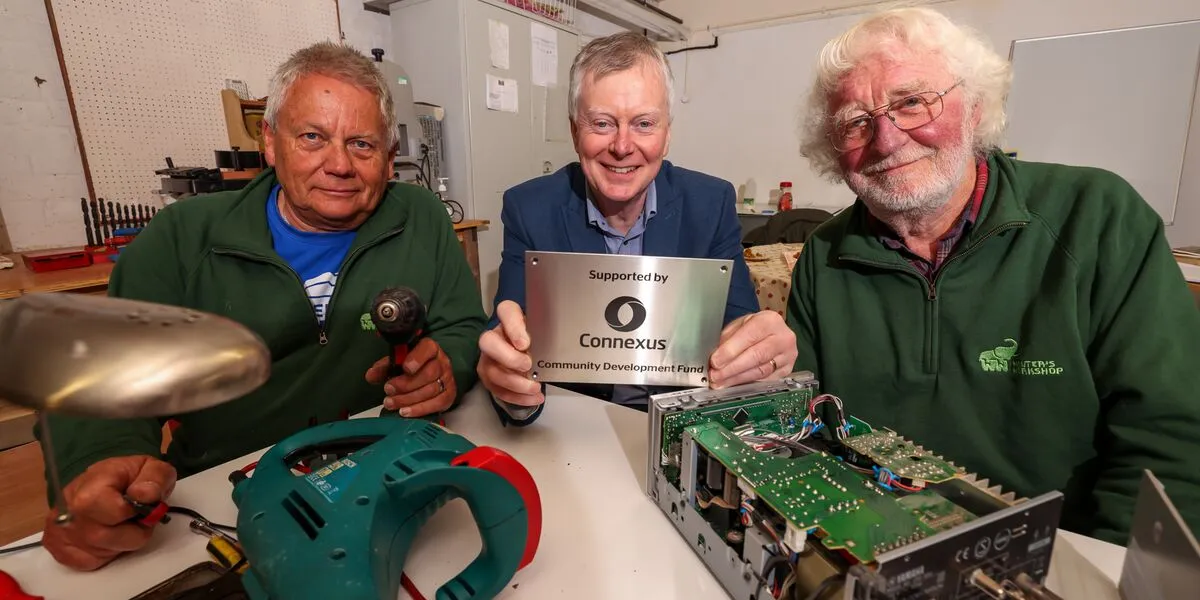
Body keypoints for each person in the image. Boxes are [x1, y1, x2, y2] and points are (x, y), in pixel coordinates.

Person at [35, 41, 487, 570]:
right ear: (270, 143)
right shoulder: (183, 237)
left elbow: (462, 326)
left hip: (376, 476)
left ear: (390, 160)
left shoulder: (423, 217)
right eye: (313, 137)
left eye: (362, 144)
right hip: (220, 499)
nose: (338, 164)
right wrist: (97, 465)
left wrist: (447, 367)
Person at [788, 7, 1200, 544]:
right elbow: (801, 428)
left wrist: (1102, 573)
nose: (886, 139)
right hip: (869, 544)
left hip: (1060, 556)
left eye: (912, 102)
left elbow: (1170, 441)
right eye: (855, 122)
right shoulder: (824, 253)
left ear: (976, 107)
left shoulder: (1098, 217)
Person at [477, 32, 798, 424]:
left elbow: (737, 321)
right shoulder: (529, 208)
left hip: (680, 421)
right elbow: (509, 333)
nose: (623, 146)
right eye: (602, 123)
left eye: (644, 123)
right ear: (575, 131)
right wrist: (510, 384)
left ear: (667, 135)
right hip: (575, 425)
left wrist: (757, 351)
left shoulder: (710, 203)